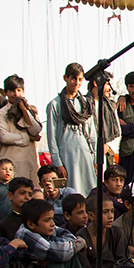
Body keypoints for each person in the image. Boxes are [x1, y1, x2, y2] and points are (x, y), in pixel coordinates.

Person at [15, 198, 88, 268]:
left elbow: (68, 236)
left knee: (69, 250)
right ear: (31, 224)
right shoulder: (25, 234)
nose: (52, 224)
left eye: (52, 219)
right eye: (47, 220)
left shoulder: (47, 228)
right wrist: (79, 243)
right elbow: (59, 253)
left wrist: (73, 244)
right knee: (58, 255)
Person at [46, 63, 97, 196]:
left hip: (86, 154)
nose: (76, 83)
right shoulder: (55, 104)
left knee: (90, 190)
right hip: (67, 154)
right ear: (66, 78)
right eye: (73, 79)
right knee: (70, 192)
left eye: (80, 79)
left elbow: (92, 134)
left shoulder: (85, 103)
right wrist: (58, 163)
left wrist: (96, 158)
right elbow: (52, 138)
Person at [78, 194, 134, 268]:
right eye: (105, 212)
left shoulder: (116, 232)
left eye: (112, 211)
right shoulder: (82, 237)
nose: (110, 216)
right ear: (91, 215)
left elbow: (124, 260)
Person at [0, 74, 42, 185]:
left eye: (19, 90)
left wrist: (24, 110)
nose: (16, 94)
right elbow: (4, 137)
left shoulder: (30, 112)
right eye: (12, 91)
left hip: (29, 161)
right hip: (9, 163)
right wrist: (28, 138)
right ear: (5, 93)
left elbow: (36, 130)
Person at [86, 73, 120, 169]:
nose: (110, 89)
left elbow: (118, 134)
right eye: (108, 84)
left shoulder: (111, 106)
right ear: (96, 83)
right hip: (87, 155)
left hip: (105, 156)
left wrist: (107, 146)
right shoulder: (83, 104)